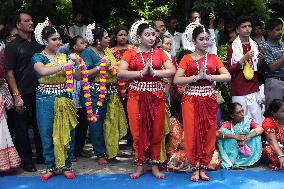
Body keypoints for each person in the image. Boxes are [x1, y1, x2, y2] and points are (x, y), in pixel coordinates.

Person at [118, 20, 176, 179]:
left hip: (156, 97)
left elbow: (172, 70)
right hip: (136, 97)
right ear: (139, 37)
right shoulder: (130, 53)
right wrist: (141, 73)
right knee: (137, 133)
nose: (151, 37)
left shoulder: (160, 53)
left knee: (156, 132)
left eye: (153, 34)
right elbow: (120, 72)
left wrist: (155, 73)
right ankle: (139, 165)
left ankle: (155, 166)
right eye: (147, 35)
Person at [174, 25, 231, 182]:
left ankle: (203, 167)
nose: (205, 42)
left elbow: (227, 76)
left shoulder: (213, 58)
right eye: (201, 39)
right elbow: (177, 79)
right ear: (194, 41)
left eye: (207, 39)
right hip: (191, 99)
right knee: (192, 133)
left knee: (208, 132)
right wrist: (196, 77)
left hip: (208, 99)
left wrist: (209, 77)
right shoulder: (187, 58)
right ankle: (194, 167)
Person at [32, 18, 81, 180]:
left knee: (67, 132)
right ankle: (50, 167)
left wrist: (77, 64)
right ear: (45, 41)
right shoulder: (38, 57)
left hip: (64, 97)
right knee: (47, 133)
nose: (58, 42)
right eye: (54, 39)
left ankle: (66, 165)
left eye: (60, 38)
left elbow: (78, 77)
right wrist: (66, 65)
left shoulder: (65, 57)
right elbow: (43, 72)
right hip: (45, 98)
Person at [80, 22, 128, 166]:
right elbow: (84, 74)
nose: (109, 39)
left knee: (112, 122)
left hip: (111, 91)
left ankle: (112, 149)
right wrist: (99, 67)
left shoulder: (107, 51)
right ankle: (100, 153)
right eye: (106, 37)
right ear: (98, 40)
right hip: (95, 93)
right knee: (97, 124)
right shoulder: (88, 52)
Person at [4, 12, 43, 172]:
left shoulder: (39, 45)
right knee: (22, 128)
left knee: (41, 125)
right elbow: (9, 73)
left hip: (41, 91)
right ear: (18, 25)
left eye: (31, 19)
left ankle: (43, 156)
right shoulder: (12, 46)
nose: (31, 22)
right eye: (27, 21)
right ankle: (26, 160)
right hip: (22, 93)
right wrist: (16, 96)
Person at [227, 16, 263, 125]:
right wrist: (243, 59)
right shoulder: (232, 47)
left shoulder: (255, 45)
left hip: (253, 86)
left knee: (257, 120)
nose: (247, 29)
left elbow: (257, 67)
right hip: (239, 88)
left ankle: (257, 142)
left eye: (249, 26)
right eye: (244, 27)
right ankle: (242, 142)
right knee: (241, 122)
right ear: (237, 30)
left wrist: (260, 60)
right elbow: (230, 69)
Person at [217, 102, 263, 169]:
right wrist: (235, 137)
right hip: (233, 151)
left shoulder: (247, 121)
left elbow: (260, 129)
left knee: (255, 133)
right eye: (238, 112)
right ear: (232, 116)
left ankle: (246, 161)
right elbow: (218, 134)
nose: (242, 114)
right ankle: (231, 162)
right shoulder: (227, 124)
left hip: (246, 149)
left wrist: (246, 137)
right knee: (224, 133)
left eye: (242, 111)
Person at [69, 36, 90, 161]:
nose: (85, 44)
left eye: (85, 42)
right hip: (72, 95)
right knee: (73, 126)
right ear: (75, 47)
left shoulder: (86, 57)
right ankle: (71, 152)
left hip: (84, 95)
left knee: (83, 124)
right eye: (82, 43)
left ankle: (79, 150)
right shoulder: (70, 58)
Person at [262, 18, 284, 105]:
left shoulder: (282, 44)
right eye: (277, 30)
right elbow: (272, 67)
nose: (280, 32)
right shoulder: (265, 46)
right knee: (275, 112)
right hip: (274, 82)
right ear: (269, 32)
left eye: (281, 29)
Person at [262, 99, 284, 170]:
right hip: (273, 149)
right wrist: (281, 155)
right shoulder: (268, 122)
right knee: (268, 149)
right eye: (282, 111)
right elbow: (272, 141)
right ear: (273, 113)